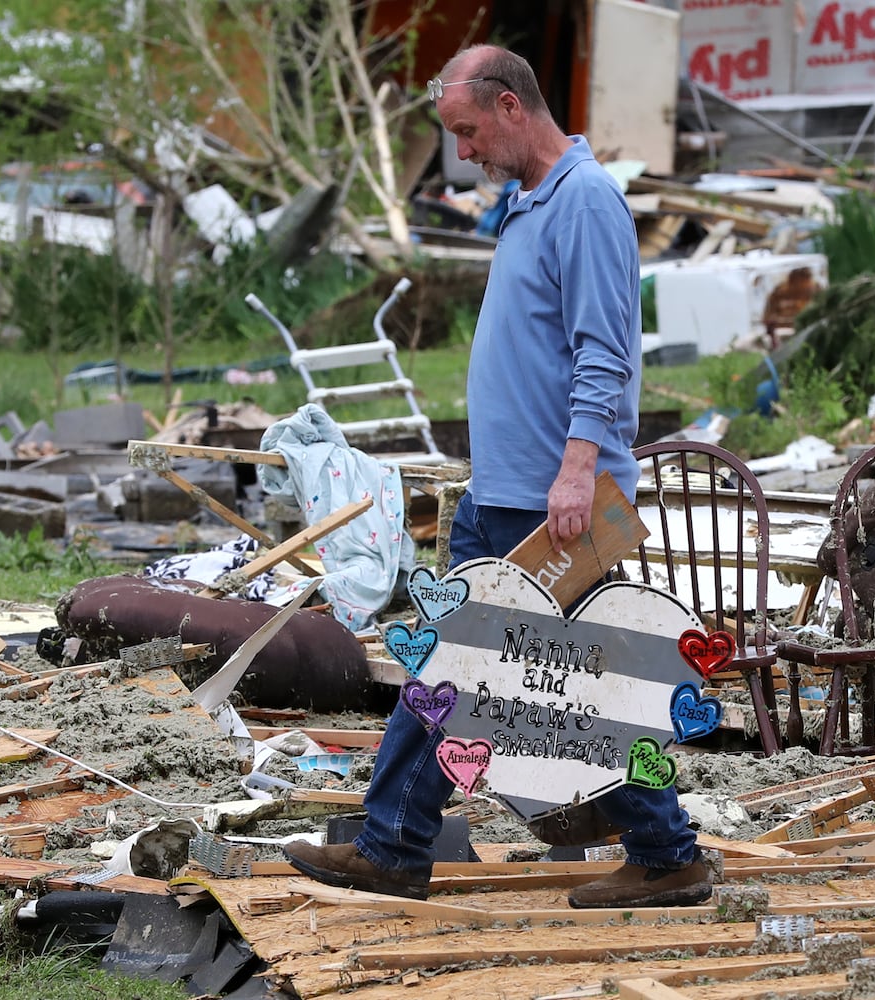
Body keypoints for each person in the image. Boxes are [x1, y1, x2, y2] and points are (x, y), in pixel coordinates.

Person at [285, 44, 716, 909]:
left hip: (552, 504)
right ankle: (395, 845)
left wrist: (575, 472)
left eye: (469, 131)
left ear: (513, 107)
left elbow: (606, 354)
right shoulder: (529, 204)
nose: (465, 151)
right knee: (456, 667)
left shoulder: (586, 202)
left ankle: (666, 853)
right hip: (504, 496)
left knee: (571, 684)